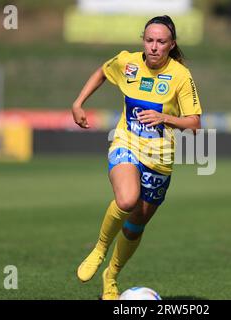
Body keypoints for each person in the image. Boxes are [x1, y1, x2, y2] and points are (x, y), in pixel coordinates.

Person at [72, 15, 202, 300]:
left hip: (160, 160)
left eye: (161, 42)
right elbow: (102, 72)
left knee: (135, 226)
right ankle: (99, 249)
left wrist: (164, 117)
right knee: (127, 200)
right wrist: (79, 103)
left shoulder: (181, 75)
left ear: (171, 45)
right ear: (143, 40)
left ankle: (111, 277)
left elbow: (194, 124)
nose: (154, 47)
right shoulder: (128, 62)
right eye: (149, 40)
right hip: (126, 144)